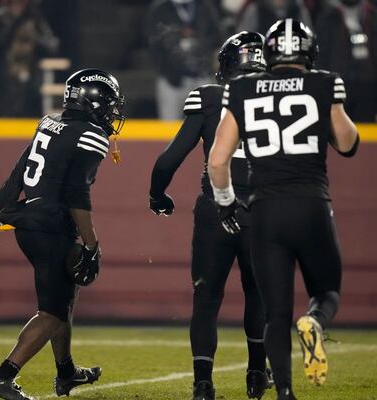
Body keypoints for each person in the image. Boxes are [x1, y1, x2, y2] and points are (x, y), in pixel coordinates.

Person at [208, 19, 359, 399]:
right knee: (326, 292)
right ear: (309, 51)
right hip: (310, 203)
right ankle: (314, 321)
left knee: (274, 313)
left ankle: (285, 393)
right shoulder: (324, 81)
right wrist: (334, 102)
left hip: (264, 211)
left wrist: (226, 203)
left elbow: (217, 160)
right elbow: (348, 143)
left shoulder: (242, 87)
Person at [0, 68, 125, 400]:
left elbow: (17, 177)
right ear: (94, 101)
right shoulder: (91, 135)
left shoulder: (49, 124)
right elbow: (77, 196)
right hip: (50, 226)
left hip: (29, 221)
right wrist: (92, 243)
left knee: (63, 300)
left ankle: (66, 372)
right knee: (52, 314)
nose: (113, 112)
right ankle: (2, 377)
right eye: (109, 103)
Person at [149, 31, 272, 400]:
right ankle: (255, 374)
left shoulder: (210, 97)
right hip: (261, 209)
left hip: (215, 210)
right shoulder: (281, 95)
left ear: (227, 65)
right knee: (259, 294)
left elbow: (169, 159)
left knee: (206, 300)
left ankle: (203, 384)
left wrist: (157, 195)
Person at [0, 0, 59, 117]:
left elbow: (52, 46)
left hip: (30, 84)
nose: (17, 7)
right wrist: (7, 30)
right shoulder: (0, 19)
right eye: (14, 3)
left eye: (21, 4)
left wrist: (35, 37)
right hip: (4, 83)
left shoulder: (34, 18)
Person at [145, 0, 223, 120]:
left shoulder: (204, 6)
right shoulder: (160, 8)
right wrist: (168, 72)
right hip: (171, 81)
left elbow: (217, 37)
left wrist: (199, 40)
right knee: (169, 129)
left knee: (207, 125)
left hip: (201, 77)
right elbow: (153, 44)